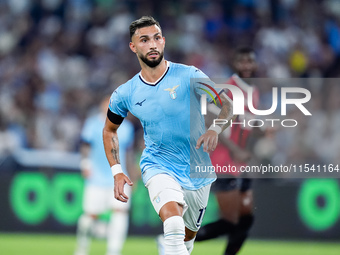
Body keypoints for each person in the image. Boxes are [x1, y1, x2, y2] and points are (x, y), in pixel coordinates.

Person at [102, 16, 234, 255]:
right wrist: (117, 170)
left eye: (156, 38)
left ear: (163, 41)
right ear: (133, 46)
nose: (152, 44)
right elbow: (110, 129)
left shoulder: (189, 76)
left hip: (197, 172)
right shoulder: (126, 93)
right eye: (144, 40)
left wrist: (215, 128)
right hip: (158, 165)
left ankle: (168, 247)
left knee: (185, 239)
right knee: (172, 223)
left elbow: (226, 104)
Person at [195, 46, 259, 255]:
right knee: (231, 221)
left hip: (243, 163)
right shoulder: (227, 88)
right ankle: (175, 240)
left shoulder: (254, 91)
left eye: (250, 61)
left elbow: (248, 127)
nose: (247, 66)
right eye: (243, 61)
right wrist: (235, 149)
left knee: (246, 219)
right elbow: (210, 120)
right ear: (235, 64)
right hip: (223, 160)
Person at [74, 95, 135, 255]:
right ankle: (82, 248)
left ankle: (114, 251)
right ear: (102, 106)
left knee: (120, 214)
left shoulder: (127, 127)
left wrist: (133, 175)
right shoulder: (93, 124)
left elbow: (128, 154)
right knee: (90, 216)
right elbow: (86, 145)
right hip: (97, 178)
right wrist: (85, 163)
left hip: (120, 178)